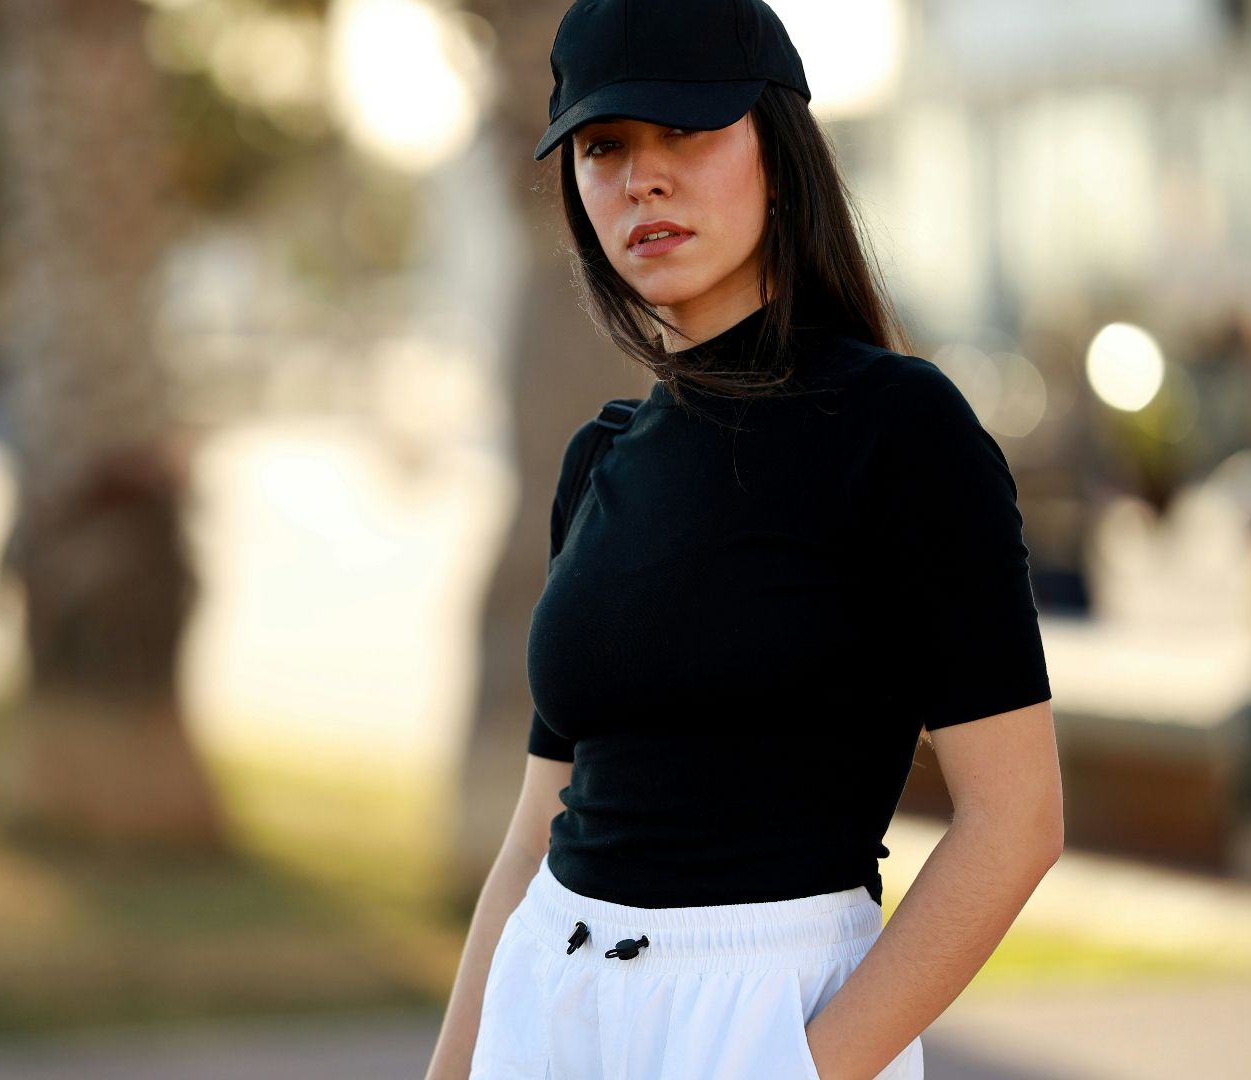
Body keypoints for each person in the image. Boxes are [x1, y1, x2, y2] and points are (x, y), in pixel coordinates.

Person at [425, 2, 1064, 1077]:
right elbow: (540, 828)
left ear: (780, 148)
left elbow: (1016, 820)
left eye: (689, 130)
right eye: (603, 147)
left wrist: (803, 1069)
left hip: (767, 1015)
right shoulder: (600, 460)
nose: (643, 179)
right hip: (550, 996)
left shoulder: (900, 429)